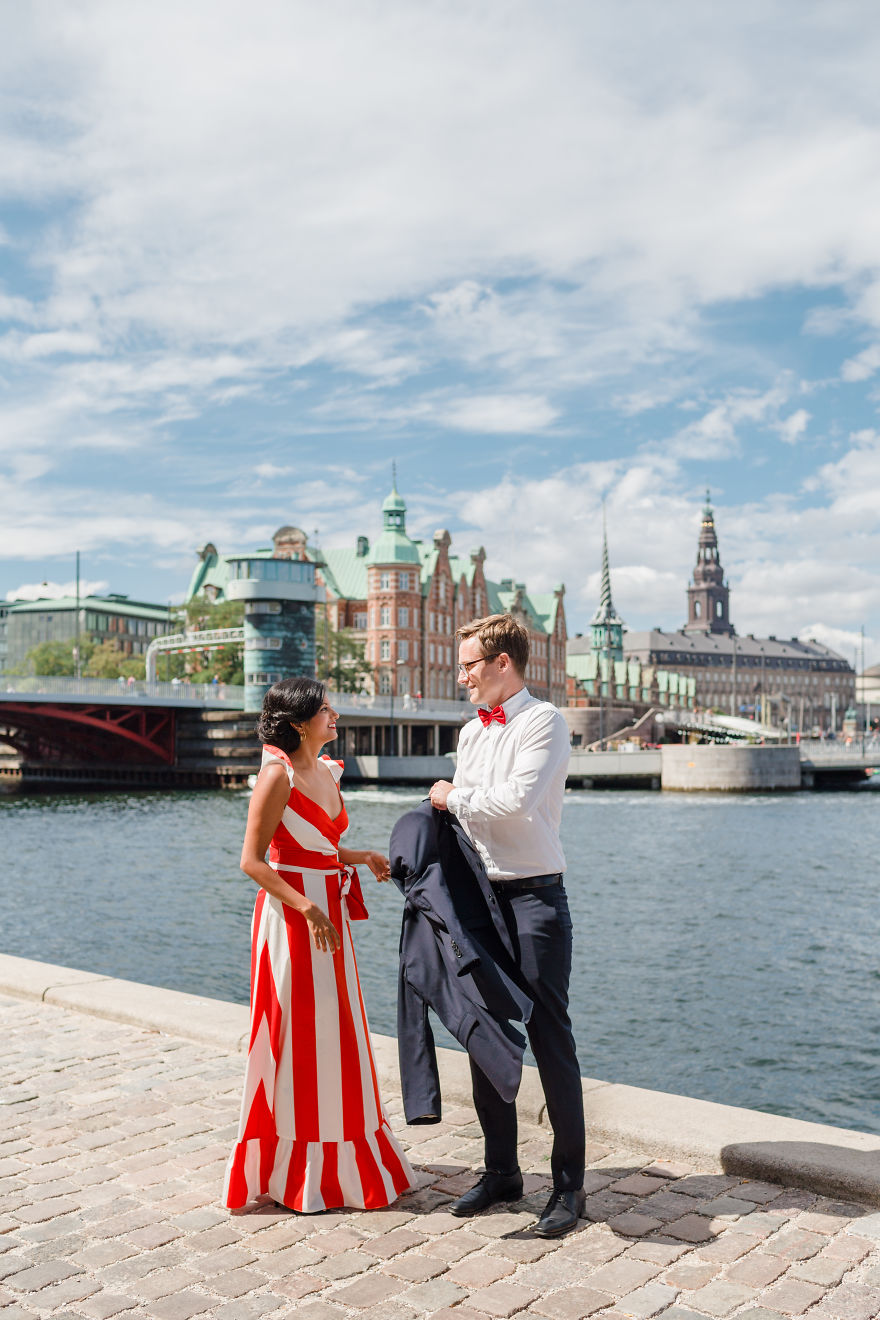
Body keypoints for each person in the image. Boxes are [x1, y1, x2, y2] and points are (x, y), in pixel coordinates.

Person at [224, 676, 414, 1213]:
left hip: (327, 911)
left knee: (338, 1030)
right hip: (292, 919)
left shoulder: (325, 770)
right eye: (326, 710)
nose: (336, 716)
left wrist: (360, 856)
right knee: (298, 1032)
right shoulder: (275, 776)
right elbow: (253, 862)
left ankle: (344, 1158)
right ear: (300, 725)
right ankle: (294, 1166)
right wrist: (306, 908)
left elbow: (317, 845)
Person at [429, 614, 585, 1238]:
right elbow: (473, 820)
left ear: (502, 663)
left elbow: (516, 804)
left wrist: (448, 798)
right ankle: (502, 1173)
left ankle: (570, 1188)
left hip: (535, 900)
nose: (461, 674)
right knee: (483, 1034)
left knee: (551, 1037)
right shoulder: (471, 734)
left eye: (469, 663)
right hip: (480, 900)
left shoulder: (544, 722)